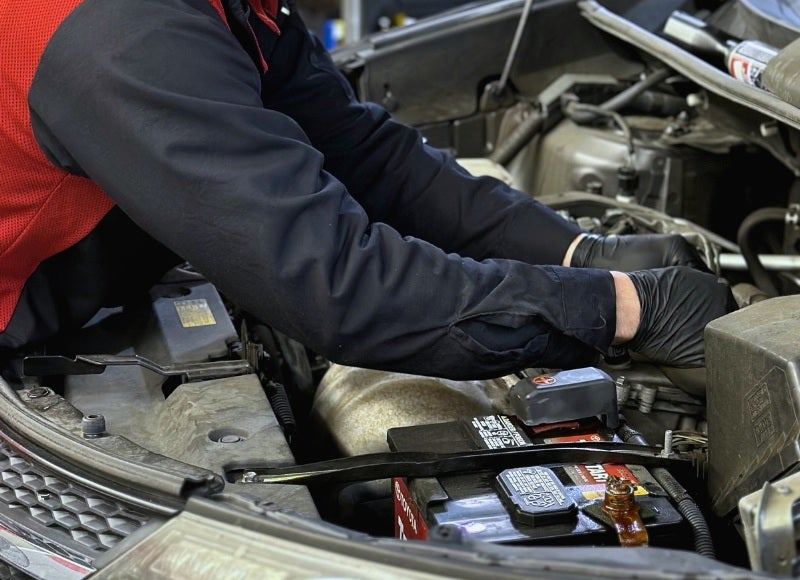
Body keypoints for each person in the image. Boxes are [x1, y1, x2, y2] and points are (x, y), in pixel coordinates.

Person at [0, 0, 733, 379]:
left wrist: (580, 252)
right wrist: (625, 309)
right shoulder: (123, 34)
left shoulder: (224, 9)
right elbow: (337, 285)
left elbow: (366, 157)